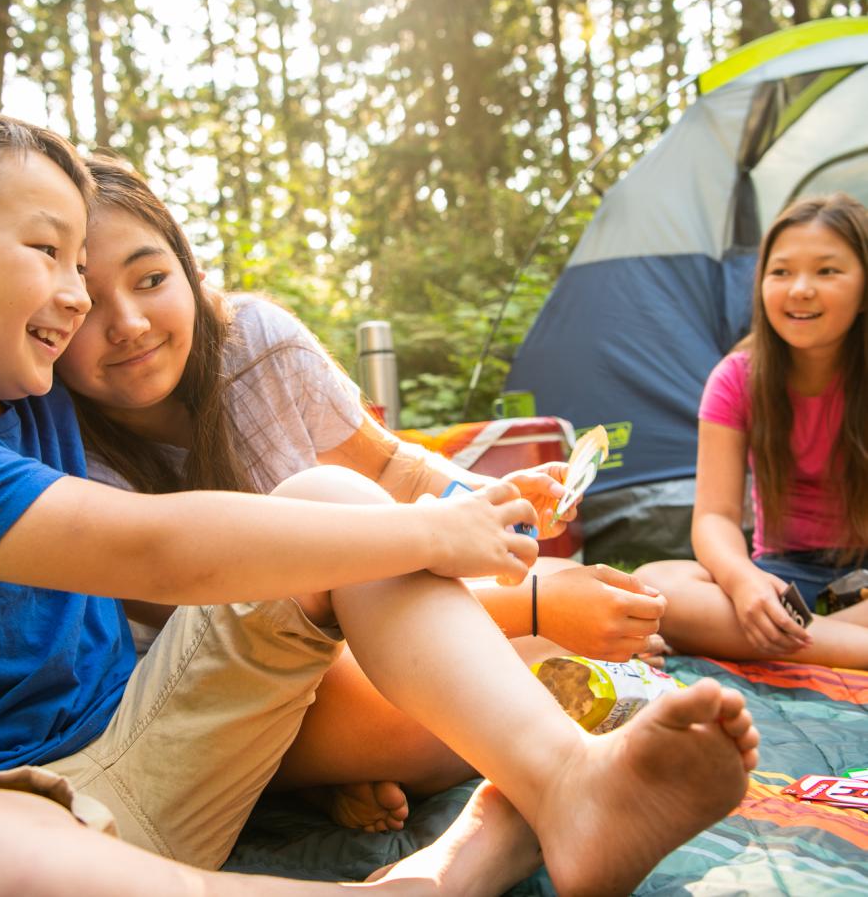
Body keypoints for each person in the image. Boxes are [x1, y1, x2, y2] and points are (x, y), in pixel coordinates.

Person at [0, 104, 759, 897]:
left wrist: (470, 502)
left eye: (98, 268)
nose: (87, 306)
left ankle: (563, 786)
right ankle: (444, 870)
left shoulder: (35, 385)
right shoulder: (44, 406)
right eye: (52, 254)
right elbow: (160, 549)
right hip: (17, 804)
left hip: (155, 738)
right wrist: (490, 571)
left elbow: (386, 469)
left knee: (331, 498)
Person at [54, 153, 670, 827]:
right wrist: (528, 606)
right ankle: (329, 776)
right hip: (229, 689)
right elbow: (240, 621)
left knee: (535, 640)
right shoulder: (56, 449)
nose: (129, 324)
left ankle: (623, 640)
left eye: (150, 279)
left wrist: (489, 495)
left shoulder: (258, 345)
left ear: (191, 274)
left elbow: (395, 472)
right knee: (449, 706)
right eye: (86, 304)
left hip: (373, 625)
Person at [635, 193, 868, 670]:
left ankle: (787, 639)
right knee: (656, 586)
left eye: (827, 271)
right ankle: (834, 643)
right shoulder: (737, 378)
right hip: (782, 577)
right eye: (781, 272)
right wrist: (743, 580)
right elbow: (715, 516)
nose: (800, 289)